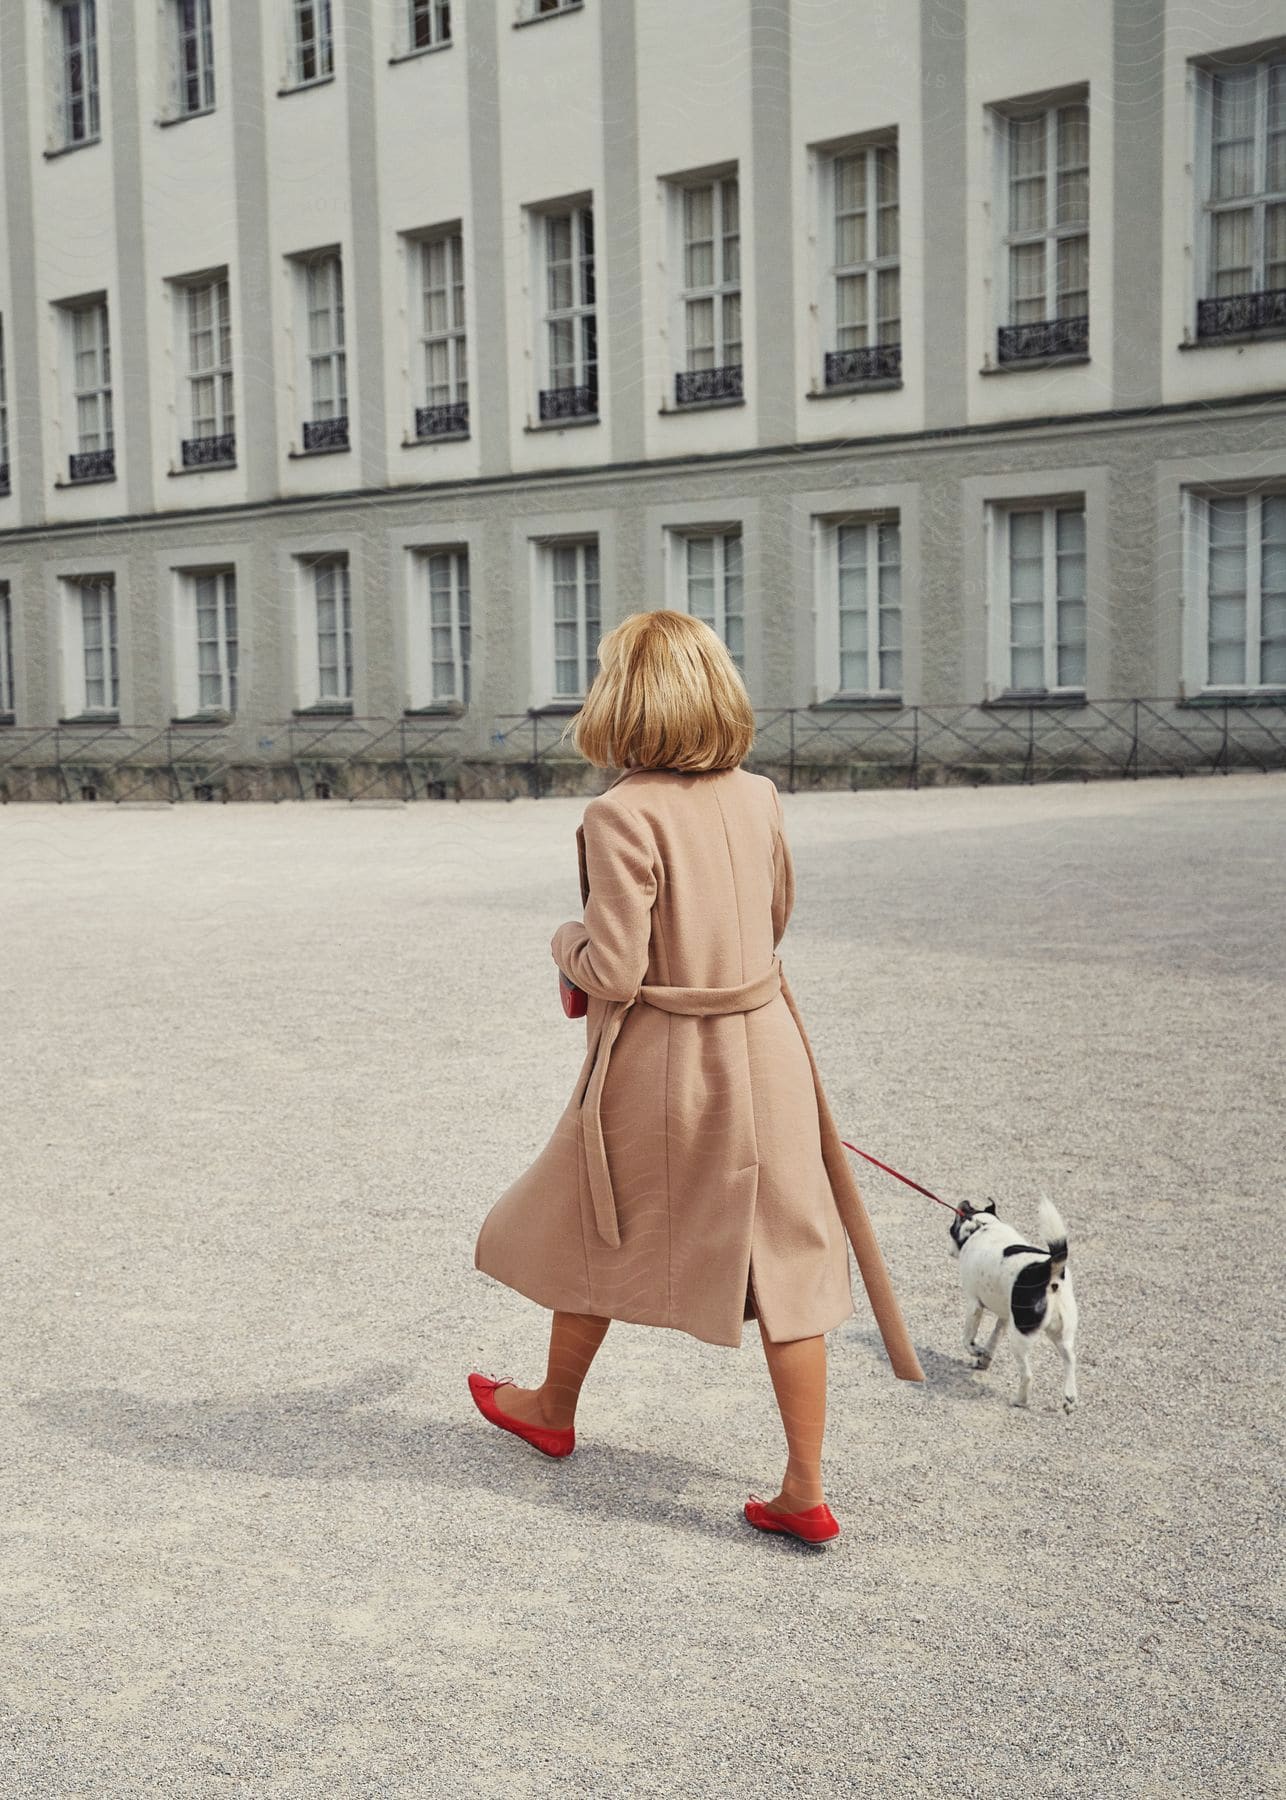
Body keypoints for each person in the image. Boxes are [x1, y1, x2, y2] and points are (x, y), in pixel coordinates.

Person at [471, 610, 923, 1547]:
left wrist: (562, 942)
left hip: (669, 1060)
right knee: (788, 1256)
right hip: (766, 1042)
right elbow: (777, 916)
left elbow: (616, 969)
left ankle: (553, 1407)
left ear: (621, 701)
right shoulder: (757, 794)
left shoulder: (619, 812)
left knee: (595, 1214)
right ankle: (803, 1488)